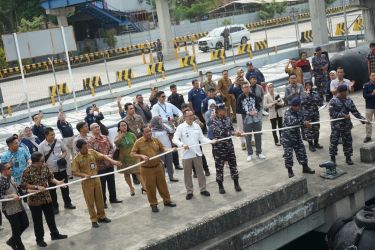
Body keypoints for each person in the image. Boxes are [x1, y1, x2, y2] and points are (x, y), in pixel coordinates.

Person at [21, 152, 68, 247]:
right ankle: (39, 239)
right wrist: (36, 187)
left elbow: (50, 178)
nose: (43, 162)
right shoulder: (27, 171)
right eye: (42, 161)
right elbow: (24, 185)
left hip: (46, 197)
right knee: (38, 221)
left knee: (51, 218)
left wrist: (58, 182)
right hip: (35, 200)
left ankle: (54, 234)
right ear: (35, 162)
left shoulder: (44, 167)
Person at [72, 139, 121, 227]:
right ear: (79, 149)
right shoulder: (77, 159)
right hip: (87, 181)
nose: (86, 149)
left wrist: (113, 161)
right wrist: (83, 175)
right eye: (84, 148)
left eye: (87, 146)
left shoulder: (92, 152)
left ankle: (101, 216)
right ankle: (93, 220)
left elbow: (103, 156)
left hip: (96, 178)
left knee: (100, 199)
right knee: (90, 201)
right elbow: (74, 172)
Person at [131, 127, 177, 212]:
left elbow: (163, 148)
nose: (149, 133)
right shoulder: (138, 142)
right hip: (147, 169)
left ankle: (167, 201)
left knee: (163, 185)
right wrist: (141, 156)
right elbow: (132, 153)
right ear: (142, 133)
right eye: (147, 132)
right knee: (150, 187)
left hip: (158, 166)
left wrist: (170, 149)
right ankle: (153, 204)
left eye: (150, 131)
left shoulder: (155, 140)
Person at [173, 110, 215, 200]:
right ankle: (189, 191)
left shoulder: (196, 126)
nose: (191, 117)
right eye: (189, 116)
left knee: (200, 173)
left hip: (197, 153)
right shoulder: (180, 127)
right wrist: (182, 144)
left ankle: (203, 189)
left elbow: (202, 138)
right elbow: (174, 139)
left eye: (192, 115)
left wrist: (211, 141)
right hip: (186, 155)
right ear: (184, 117)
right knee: (187, 174)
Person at [38, 127, 75, 214]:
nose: (53, 136)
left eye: (54, 134)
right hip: (51, 172)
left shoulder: (58, 141)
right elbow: (40, 160)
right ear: (46, 135)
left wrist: (62, 156)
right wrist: (45, 167)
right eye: (51, 135)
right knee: (52, 191)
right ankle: (55, 207)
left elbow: (65, 151)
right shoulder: (41, 146)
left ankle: (68, 203)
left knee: (65, 187)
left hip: (61, 169)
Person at [329, 85, 368, 165]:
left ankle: (348, 157)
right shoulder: (333, 101)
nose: (347, 92)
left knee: (347, 141)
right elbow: (332, 113)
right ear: (341, 92)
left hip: (346, 125)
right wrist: (343, 115)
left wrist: (363, 119)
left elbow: (355, 112)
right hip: (336, 126)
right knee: (334, 142)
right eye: (346, 91)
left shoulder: (349, 100)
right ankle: (332, 158)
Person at [88, 123, 122, 208]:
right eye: (95, 127)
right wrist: (104, 157)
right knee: (101, 185)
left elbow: (111, 147)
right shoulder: (90, 141)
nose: (97, 128)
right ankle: (103, 202)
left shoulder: (105, 137)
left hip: (109, 164)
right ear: (91, 130)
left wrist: (110, 155)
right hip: (100, 166)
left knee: (111, 182)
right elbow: (91, 153)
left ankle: (113, 198)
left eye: (98, 126)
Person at [281, 97, 315, 178]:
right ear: (293, 106)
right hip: (287, 137)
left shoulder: (300, 111)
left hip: (296, 135)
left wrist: (307, 124)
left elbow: (303, 120)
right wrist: (304, 123)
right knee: (288, 154)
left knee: (301, 151)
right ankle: (290, 171)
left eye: (299, 106)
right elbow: (292, 122)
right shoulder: (287, 112)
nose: (298, 108)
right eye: (296, 106)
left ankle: (305, 167)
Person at [212, 104, 242, 194]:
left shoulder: (228, 119)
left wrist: (236, 132)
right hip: (219, 148)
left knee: (233, 165)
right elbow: (221, 133)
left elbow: (231, 129)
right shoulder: (214, 121)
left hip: (229, 147)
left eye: (224, 109)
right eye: (222, 109)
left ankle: (236, 183)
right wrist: (235, 133)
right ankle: (220, 185)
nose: (224, 111)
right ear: (217, 111)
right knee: (219, 168)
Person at [0, 162, 29, 250]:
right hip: (9, 209)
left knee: (25, 223)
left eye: (10, 167)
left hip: (19, 206)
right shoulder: (1, 181)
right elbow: (0, 196)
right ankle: (20, 247)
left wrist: (29, 191)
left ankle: (12, 241)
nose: (11, 169)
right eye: (9, 168)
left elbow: (18, 189)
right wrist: (11, 196)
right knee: (16, 228)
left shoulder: (11, 178)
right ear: (3, 171)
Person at [178, 104, 210, 177]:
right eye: (185, 110)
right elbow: (178, 131)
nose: (188, 113)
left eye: (188, 109)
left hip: (196, 139)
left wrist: (194, 123)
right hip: (186, 142)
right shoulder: (180, 119)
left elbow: (202, 125)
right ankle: (195, 171)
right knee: (190, 157)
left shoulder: (194, 116)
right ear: (182, 111)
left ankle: (206, 169)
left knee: (200, 155)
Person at [114, 121, 146, 196]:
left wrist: (140, 154)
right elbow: (115, 143)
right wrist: (121, 136)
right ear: (119, 127)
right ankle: (131, 188)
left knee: (138, 172)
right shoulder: (117, 136)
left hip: (133, 157)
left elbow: (137, 144)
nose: (124, 126)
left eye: (125, 125)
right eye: (122, 125)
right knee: (126, 173)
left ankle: (144, 187)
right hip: (123, 158)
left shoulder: (131, 134)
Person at [237, 82, 266, 161]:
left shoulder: (253, 95)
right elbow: (238, 109)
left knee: (258, 135)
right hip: (247, 120)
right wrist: (248, 113)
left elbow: (258, 105)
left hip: (256, 119)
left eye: (247, 87)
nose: (246, 88)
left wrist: (255, 111)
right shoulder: (240, 97)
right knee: (248, 137)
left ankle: (259, 152)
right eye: (245, 87)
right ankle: (249, 153)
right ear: (242, 89)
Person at [150, 116, 179, 182]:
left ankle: (171, 176)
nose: (161, 120)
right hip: (160, 150)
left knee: (169, 163)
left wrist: (166, 125)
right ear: (155, 121)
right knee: (161, 165)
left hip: (168, 148)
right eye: (159, 119)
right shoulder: (152, 131)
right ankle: (162, 179)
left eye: (161, 119)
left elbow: (172, 130)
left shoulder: (164, 127)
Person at [301, 81, 323, 152]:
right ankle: (311, 144)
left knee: (316, 128)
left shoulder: (315, 93)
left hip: (315, 114)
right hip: (307, 115)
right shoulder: (303, 94)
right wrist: (307, 96)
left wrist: (317, 100)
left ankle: (316, 143)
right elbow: (302, 103)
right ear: (305, 87)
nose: (308, 87)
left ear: (311, 86)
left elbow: (320, 103)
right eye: (307, 85)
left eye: (309, 85)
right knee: (308, 130)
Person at [229, 70, 246, 149]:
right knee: (241, 126)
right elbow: (229, 91)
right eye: (240, 80)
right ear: (238, 82)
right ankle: (242, 142)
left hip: (247, 110)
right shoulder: (236, 89)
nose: (241, 81)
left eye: (243, 80)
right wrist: (233, 83)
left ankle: (250, 139)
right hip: (239, 110)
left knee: (249, 125)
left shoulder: (246, 88)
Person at [57, 107, 75, 178]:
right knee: (67, 157)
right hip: (66, 140)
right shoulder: (60, 125)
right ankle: (69, 173)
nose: (62, 117)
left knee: (75, 156)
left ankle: (75, 170)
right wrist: (60, 111)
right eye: (61, 116)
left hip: (72, 139)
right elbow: (59, 118)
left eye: (63, 115)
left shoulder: (68, 123)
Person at [363, 72, 375, 143]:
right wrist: (372, 94)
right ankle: (368, 136)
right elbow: (365, 96)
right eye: (372, 76)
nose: (374, 77)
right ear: (370, 77)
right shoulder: (366, 85)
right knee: (368, 122)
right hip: (369, 107)